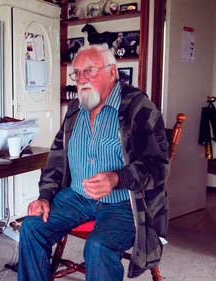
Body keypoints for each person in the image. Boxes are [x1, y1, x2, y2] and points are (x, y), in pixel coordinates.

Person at [18, 44, 169, 281]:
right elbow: (56, 158)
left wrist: (117, 178)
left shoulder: (138, 108)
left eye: (89, 70)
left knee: (98, 247)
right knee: (31, 227)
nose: (81, 79)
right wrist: (45, 196)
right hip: (77, 197)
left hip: (123, 203)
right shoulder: (75, 110)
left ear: (112, 72)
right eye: (77, 73)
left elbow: (158, 166)